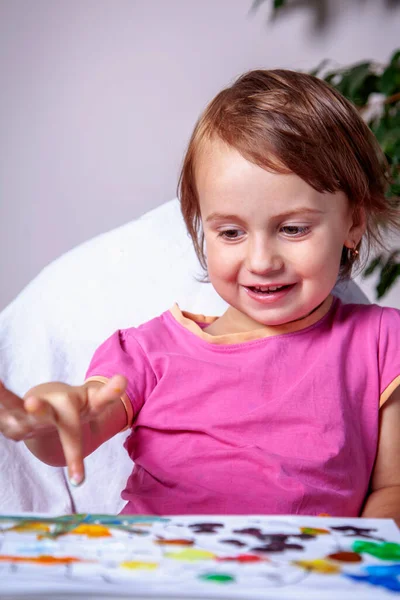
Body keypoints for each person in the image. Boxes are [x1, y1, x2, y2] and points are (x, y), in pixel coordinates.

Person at [1, 69, 400, 519]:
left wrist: (358, 575)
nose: (262, 260)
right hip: (159, 576)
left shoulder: (381, 343)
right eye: (231, 232)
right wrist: (50, 419)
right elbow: (80, 427)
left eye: (292, 228)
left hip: (306, 582)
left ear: (353, 222)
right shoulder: (148, 353)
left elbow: (393, 488)